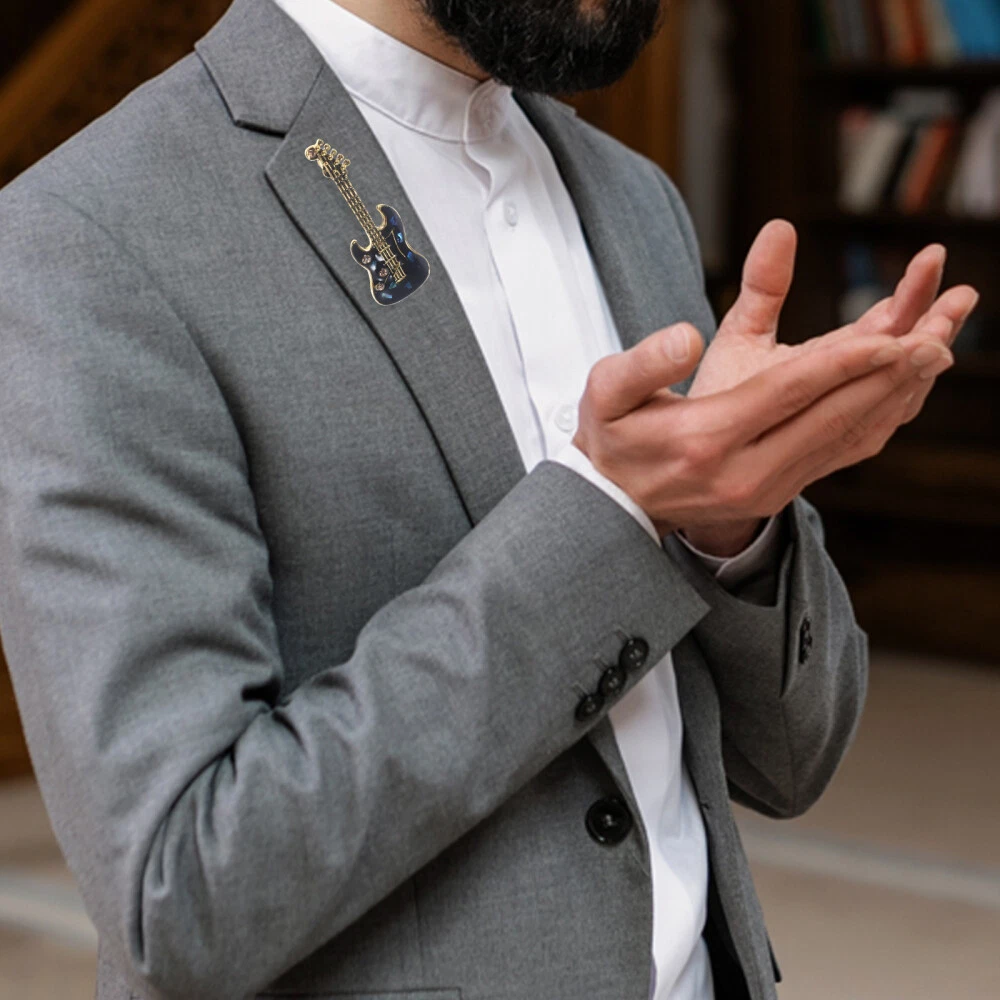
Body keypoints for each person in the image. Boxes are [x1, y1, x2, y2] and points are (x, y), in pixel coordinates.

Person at [0, 0, 978, 998]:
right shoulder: (87, 237)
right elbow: (182, 898)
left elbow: (792, 761)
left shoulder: (631, 194)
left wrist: (732, 524)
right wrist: (609, 517)